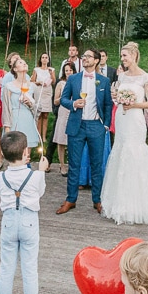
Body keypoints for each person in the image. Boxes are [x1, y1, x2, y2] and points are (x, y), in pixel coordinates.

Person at [100, 42, 148, 225]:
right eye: (121, 56)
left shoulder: (145, 78)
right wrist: (117, 98)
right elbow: (117, 95)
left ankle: (142, 201)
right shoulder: (121, 76)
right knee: (120, 150)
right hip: (121, 117)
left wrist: (133, 104)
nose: (122, 58)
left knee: (135, 151)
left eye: (125, 55)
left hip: (135, 119)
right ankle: (120, 202)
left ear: (134, 55)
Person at [0, 131, 51, 294]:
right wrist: (42, 170)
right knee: (29, 268)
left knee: (6, 267)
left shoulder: (0, 177)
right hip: (29, 222)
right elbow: (40, 192)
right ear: (26, 152)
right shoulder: (35, 176)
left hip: (9, 222)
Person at [56, 48, 113, 215]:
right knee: (74, 164)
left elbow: (108, 104)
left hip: (96, 126)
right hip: (77, 126)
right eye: (84, 56)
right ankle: (70, 200)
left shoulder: (104, 81)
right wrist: (74, 104)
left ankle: (97, 200)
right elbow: (63, 99)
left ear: (96, 60)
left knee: (97, 165)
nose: (85, 58)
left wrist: (106, 125)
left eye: (88, 56)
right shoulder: (73, 78)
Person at [0, 56, 40, 151]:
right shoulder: (9, 87)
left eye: (25, 62)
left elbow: (38, 108)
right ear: (15, 69)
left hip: (27, 119)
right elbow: (6, 109)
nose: (24, 64)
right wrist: (7, 128)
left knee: (26, 154)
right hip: (14, 120)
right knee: (14, 151)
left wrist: (30, 104)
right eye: (21, 62)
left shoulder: (33, 86)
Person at [52, 62, 76, 176]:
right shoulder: (60, 84)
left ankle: (72, 164)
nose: (68, 72)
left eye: (70, 70)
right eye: (66, 70)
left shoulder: (77, 82)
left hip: (74, 112)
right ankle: (62, 165)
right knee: (61, 139)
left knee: (73, 140)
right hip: (63, 111)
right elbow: (55, 101)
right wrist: (64, 97)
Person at [32, 52, 55, 161]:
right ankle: (37, 135)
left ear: (48, 59)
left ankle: (44, 136)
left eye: (46, 57)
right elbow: (32, 80)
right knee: (39, 114)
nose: (44, 59)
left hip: (47, 91)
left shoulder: (51, 70)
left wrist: (51, 75)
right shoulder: (37, 69)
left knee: (45, 115)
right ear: (40, 59)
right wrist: (38, 82)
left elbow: (54, 81)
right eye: (43, 57)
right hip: (39, 91)